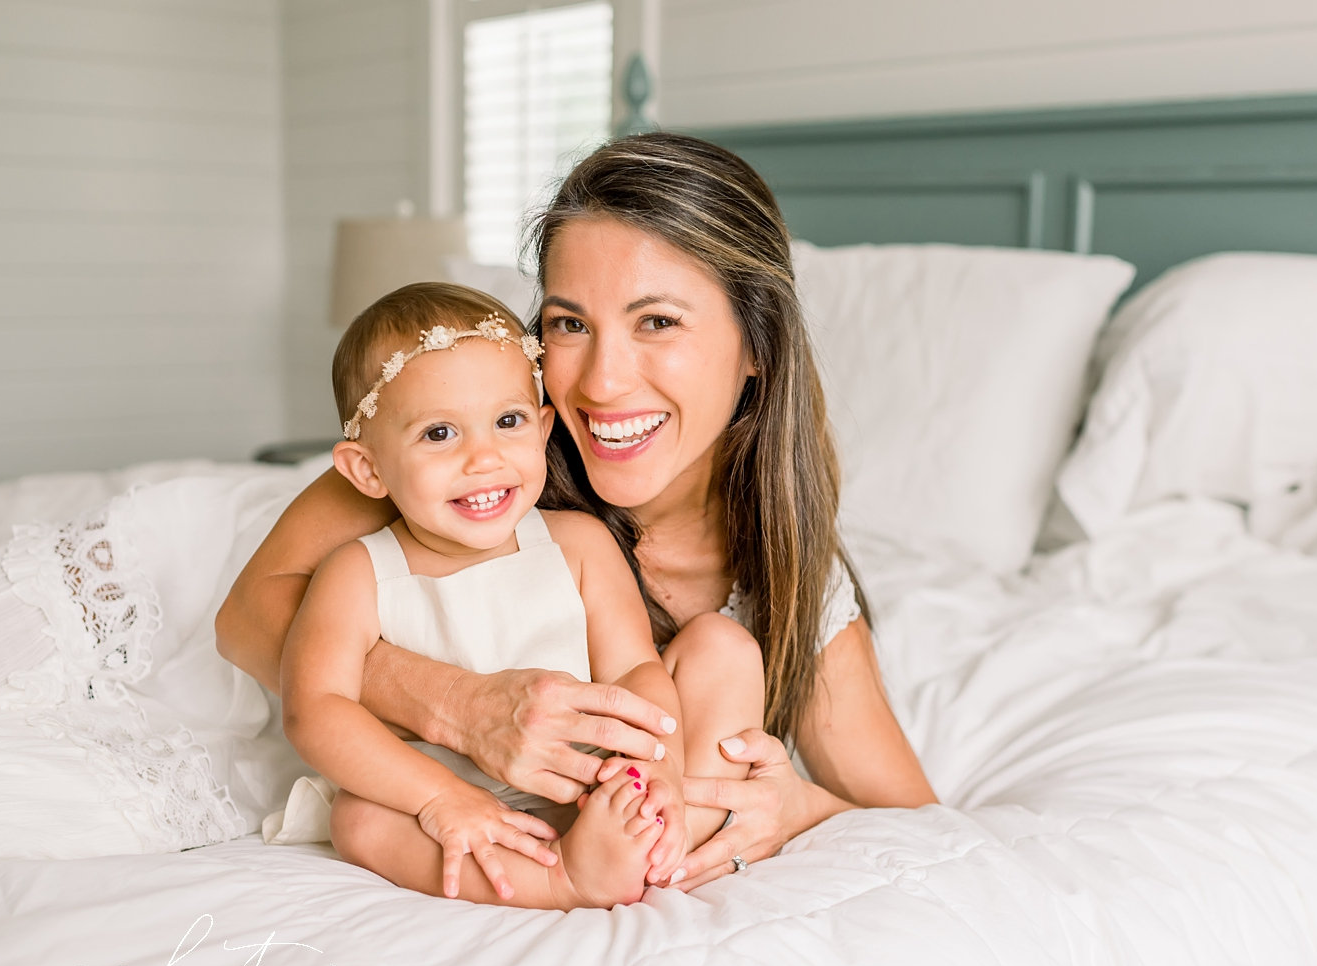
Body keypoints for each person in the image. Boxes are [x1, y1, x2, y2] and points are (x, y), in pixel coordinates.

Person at [216, 131, 936, 894]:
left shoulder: (786, 576)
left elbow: (915, 817)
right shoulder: (466, 459)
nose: (602, 381)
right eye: (568, 324)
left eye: (657, 321)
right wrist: (459, 706)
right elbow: (248, 616)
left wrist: (799, 807)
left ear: (758, 346)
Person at [274, 281, 762, 909]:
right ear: (367, 469)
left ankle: (667, 838)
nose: (484, 458)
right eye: (439, 434)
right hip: (463, 806)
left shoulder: (578, 544)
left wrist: (657, 771)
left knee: (721, 646)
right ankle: (560, 881)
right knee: (359, 820)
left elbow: (635, 670)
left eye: (507, 422)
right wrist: (437, 797)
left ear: (542, 427)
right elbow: (313, 710)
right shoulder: (357, 574)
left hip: (600, 785)